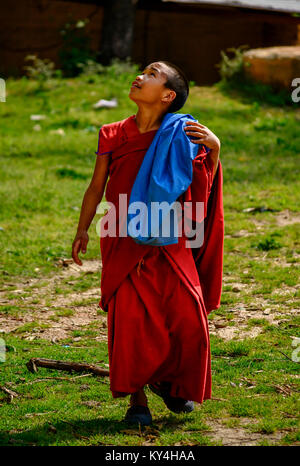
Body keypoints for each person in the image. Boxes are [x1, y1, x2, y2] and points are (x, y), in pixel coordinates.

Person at [72, 60, 224, 426]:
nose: (140, 76)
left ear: (168, 95)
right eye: (143, 71)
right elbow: (97, 187)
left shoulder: (184, 131)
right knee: (130, 320)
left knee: (187, 315)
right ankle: (136, 401)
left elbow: (203, 182)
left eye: (152, 74)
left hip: (170, 234)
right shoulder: (111, 133)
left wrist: (215, 150)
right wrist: (83, 228)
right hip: (122, 232)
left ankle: (170, 383)